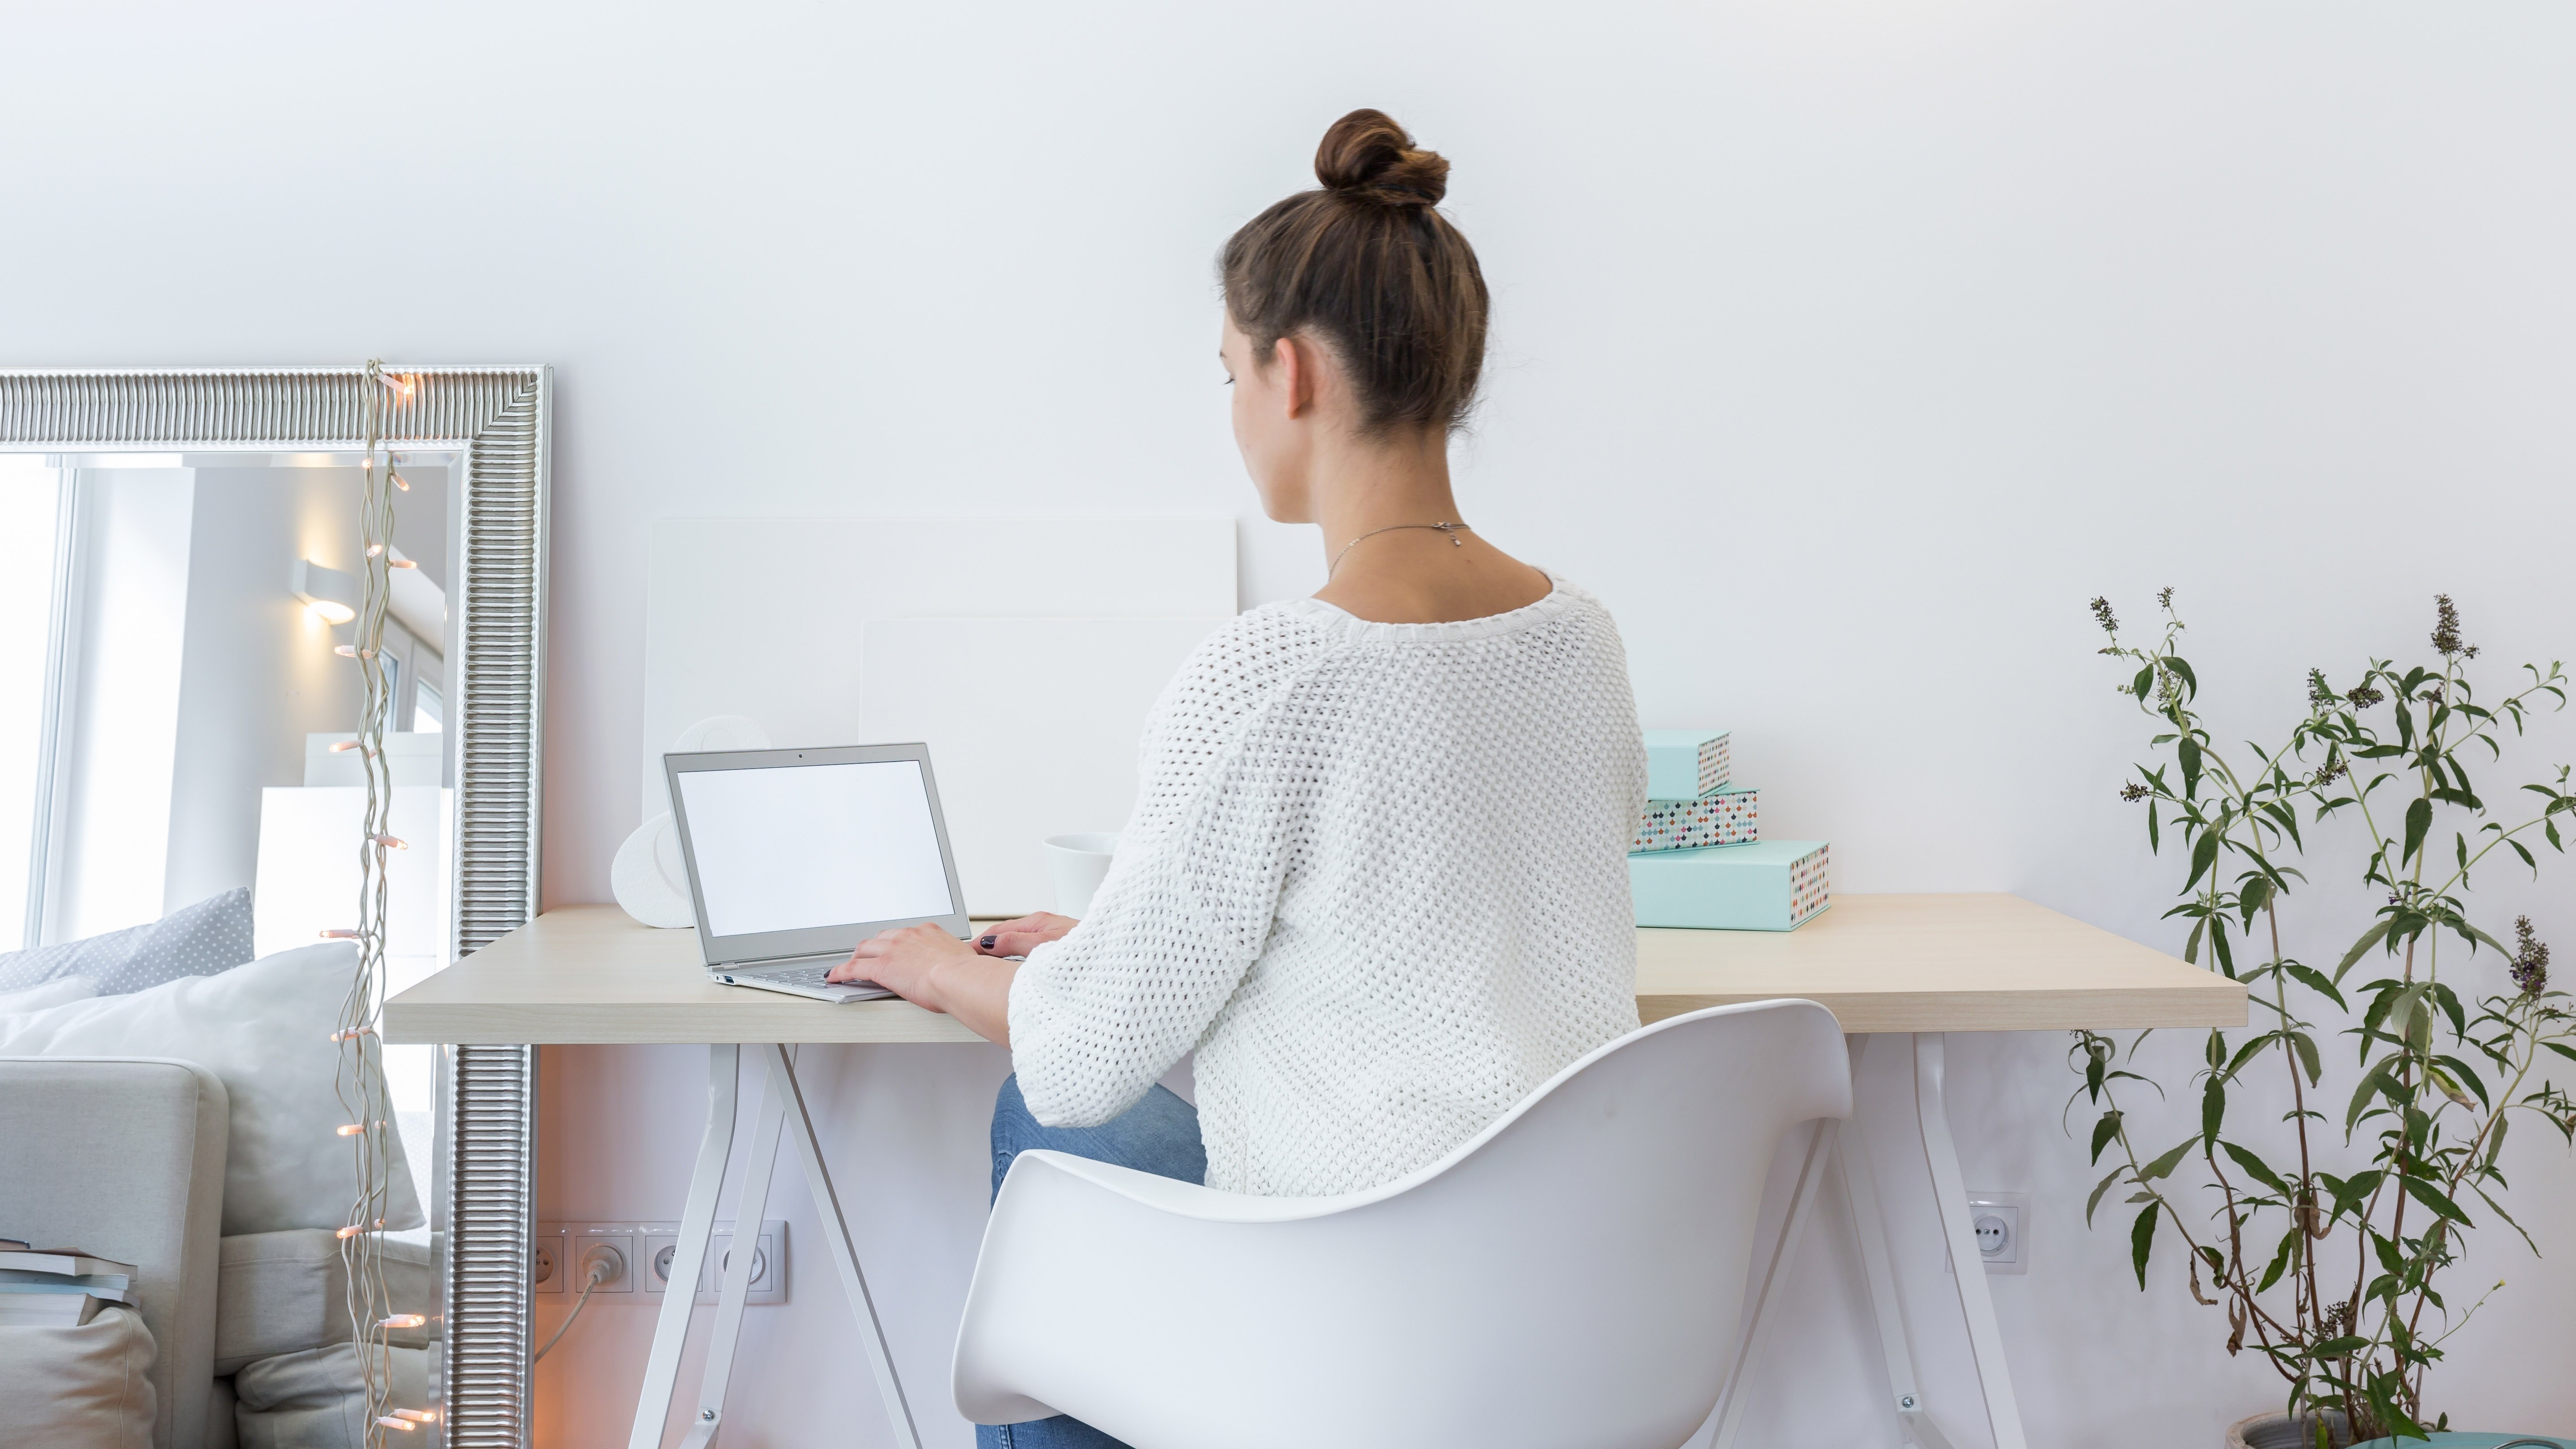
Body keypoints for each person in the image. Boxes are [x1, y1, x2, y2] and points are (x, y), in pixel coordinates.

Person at [831, 107, 1647, 1448]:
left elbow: (1087, 1058)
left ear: (1293, 374)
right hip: (1563, 1279)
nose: (1231, 410)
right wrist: (1118, 943)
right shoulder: (1581, 639)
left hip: (1358, 1287)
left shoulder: (1276, 670)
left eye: (1226, 374)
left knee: (1039, 1115)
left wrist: (933, 960)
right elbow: (1421, 930)